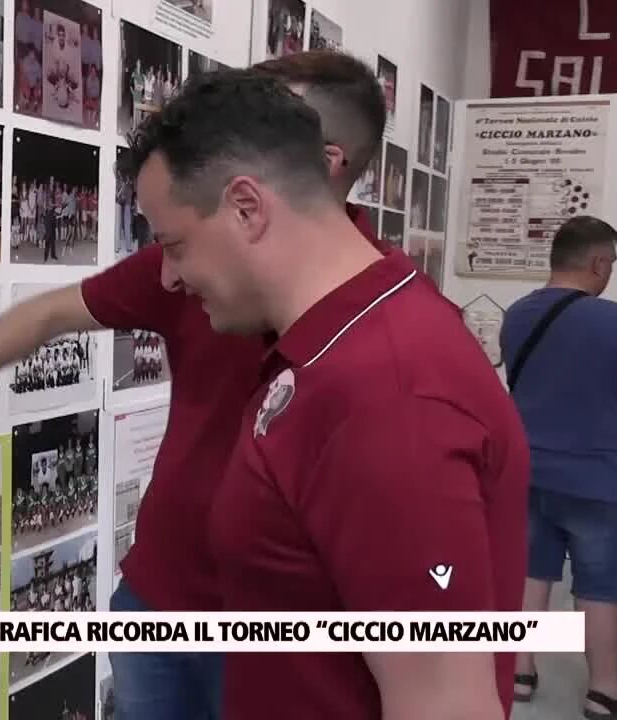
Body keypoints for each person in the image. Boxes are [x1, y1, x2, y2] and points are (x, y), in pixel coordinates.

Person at [0, 50, 399, 720]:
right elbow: (51, 311)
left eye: (264, 114)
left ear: (326, 159)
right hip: (160, 602)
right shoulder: (186, 262)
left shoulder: (385, 332)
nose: (171, 274)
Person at [125, 69, 522, 718]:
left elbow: (445, 704)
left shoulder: (388, 399)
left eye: (175, 245)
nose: (168, 277)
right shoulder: (333, 347)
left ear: (247, 208)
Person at [501, 216, 617, 717]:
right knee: (600, 586)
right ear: (600, 263)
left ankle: (517, 670)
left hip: (529, 472)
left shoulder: (517, 315)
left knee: (530, 573)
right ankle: (606, 688)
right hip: (600, 481)